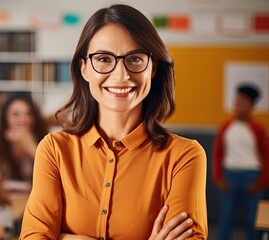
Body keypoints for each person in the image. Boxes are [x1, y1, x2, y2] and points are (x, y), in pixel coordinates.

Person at [20, 4, 207, 240]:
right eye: (104, 59)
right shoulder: (54, 149)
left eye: (136, 58)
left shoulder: (184, 156)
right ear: (85, 69)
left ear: (153, 68)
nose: (121, 75)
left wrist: (63, 236)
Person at [213, 84, 269, 240]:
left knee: (253, 221)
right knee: (225, 219)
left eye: (242, 102)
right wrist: (219, 178)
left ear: (251, 106)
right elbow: (218, 154)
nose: (237, 105)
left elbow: (266, 157)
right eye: (236, 101)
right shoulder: (226, 127)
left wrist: (260, 183)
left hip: (252, 176)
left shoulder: (258, 129)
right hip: (229, 175)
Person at [0, 92, 49, 181]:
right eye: (16, 114)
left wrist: (31, 146)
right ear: (5, 118)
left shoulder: (46, 140)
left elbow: (52, 171)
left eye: (28, 113)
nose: (23, 119)